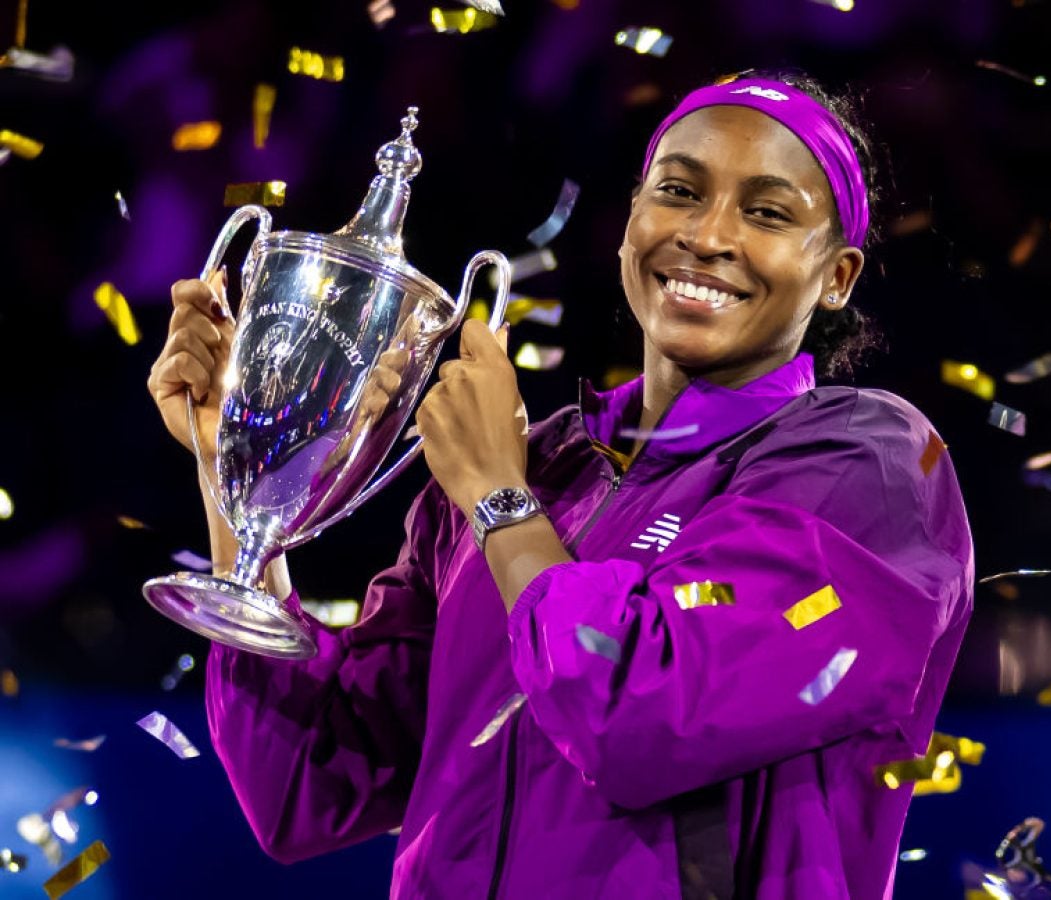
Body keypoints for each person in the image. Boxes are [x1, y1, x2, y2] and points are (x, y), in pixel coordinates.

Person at [147, 68, 974, 899]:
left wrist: (501, 504)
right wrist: (240, 468)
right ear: (629, 224)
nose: (708, 234)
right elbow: (308, 789)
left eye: (766, 212)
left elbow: (641, 716)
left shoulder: (865, 466)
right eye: (678, 192)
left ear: (836, 276)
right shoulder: (529, 463)